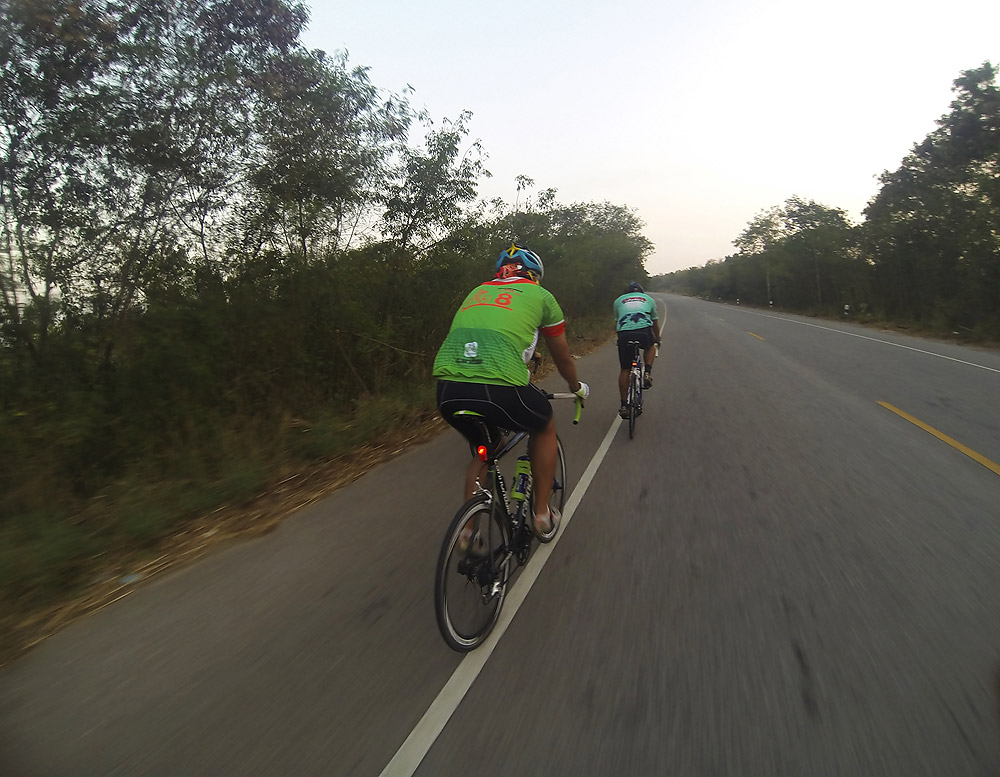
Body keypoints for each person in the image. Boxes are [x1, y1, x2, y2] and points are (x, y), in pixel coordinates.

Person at [433, 242, 589, 543]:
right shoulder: (541, 296)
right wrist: (575, 387)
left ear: (500, 271)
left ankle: (468, 532)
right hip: (499, 386)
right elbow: (563, 358)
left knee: (485, 448)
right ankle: (542, 515)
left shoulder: (477, 292)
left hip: (448, 388)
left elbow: (489, 334)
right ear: (534, 274)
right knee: (544, 425)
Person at [613, 281, 661, 419]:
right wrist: (657, 338)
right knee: (650, 346)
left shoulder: (618, 301)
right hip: (643, 331)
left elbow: (617, 323)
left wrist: (621, 339)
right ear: (641, 291)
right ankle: (647, 372)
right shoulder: (648, 299)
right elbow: (654, 323)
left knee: (625, 369)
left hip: (624, 333)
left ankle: (624, 405)